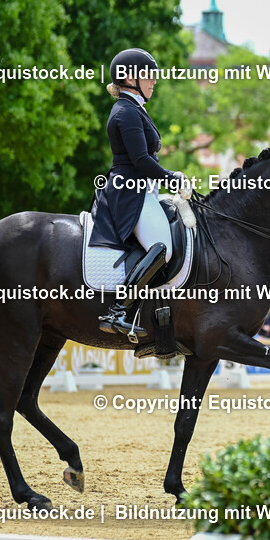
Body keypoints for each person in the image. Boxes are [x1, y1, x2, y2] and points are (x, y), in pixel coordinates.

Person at [91, 48, 188, 338]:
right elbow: (141, 161)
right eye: (149, 76)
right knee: (162, 247)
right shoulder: (125, 111)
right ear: (130, 78)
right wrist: (172, 177)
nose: (154, 81)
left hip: (142, 188)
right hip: (130, 190)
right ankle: (117, 309)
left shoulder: (133, 108)